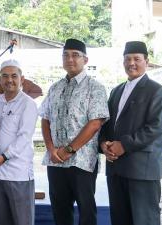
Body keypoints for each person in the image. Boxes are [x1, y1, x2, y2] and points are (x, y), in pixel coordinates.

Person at [40, 38, 109, 225]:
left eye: (75, 55)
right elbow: (45, 119)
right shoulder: (55, 88)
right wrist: (51, 149)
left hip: (82, 162)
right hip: (55, 161)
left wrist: (68, 150)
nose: (70, 59)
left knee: (86, 212)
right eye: (66, 55)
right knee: (60, 210)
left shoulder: (95, 88)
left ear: (85, 60)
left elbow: (95, 123)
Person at [99, 41, 162, 225]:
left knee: (144, 220)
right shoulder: (116, 91)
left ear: (146, 61)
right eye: (127, 59)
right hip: (115, 169)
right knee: (120, 219)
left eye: (137, 59)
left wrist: (124, 144)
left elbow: (155, 127)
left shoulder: (157, 91)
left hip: (142, 170)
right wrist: (103, 143)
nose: (132, 63)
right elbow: (106, 123)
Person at [0, 59, 38, 225]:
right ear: (0, 79)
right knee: (1, 220)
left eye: (14, 76)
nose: (9, 80)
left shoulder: (28, 104)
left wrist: (4, 156)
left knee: (22, 221)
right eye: (5, 76)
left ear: (21, 79)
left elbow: (24, 137)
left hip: (18, 173)